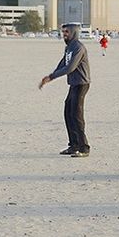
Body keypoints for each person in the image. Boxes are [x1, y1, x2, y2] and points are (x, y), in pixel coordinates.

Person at [39, 23, 91, 156]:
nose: (64, 34)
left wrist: (52, 77)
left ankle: (84, 147)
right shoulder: (69, 47)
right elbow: (63, 63)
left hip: (81, 84)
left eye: (67, 32)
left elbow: (70, 67)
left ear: (73, 32)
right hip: (73, 84)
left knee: (77, 115)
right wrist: (50, 76)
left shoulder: (79, 47)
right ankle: (73, 145)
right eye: (63, 32)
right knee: (68, 113)